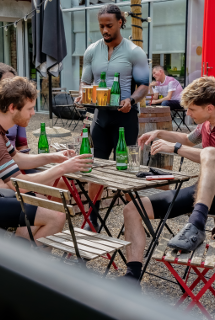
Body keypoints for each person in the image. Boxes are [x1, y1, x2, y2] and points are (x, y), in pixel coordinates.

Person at [122, 76, 215, 282]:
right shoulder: (206, 124)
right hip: (202, 192)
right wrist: (159, 132)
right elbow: (187, 139)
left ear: (209, 108)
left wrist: (175, 149)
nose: (187, 114)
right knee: (133, 209)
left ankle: (196, 225)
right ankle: (131, 277)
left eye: (192, 109)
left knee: (210, 153)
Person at [0, 76, 92, 245]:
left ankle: (15, 256)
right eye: (30, 108)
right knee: (56, 216)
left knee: (35, 200)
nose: (34, 113)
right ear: (12, 107)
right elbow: (19, 183)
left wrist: (54, 157)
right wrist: (63, 168)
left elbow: (17, 158)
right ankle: (22, 267)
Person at [75, 4, 149, 231]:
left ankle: (135, 216)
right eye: (101, 26)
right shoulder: (91, 51)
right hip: (100, 117)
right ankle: (92, 219)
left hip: (125, 118)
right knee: (94, 167)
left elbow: (144, 85)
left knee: (126, 168)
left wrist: (132, 100)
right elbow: (85, 82)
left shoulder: (134, 52)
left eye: (109, 25)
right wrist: (82, 93)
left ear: (120, 22)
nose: (104, 30)